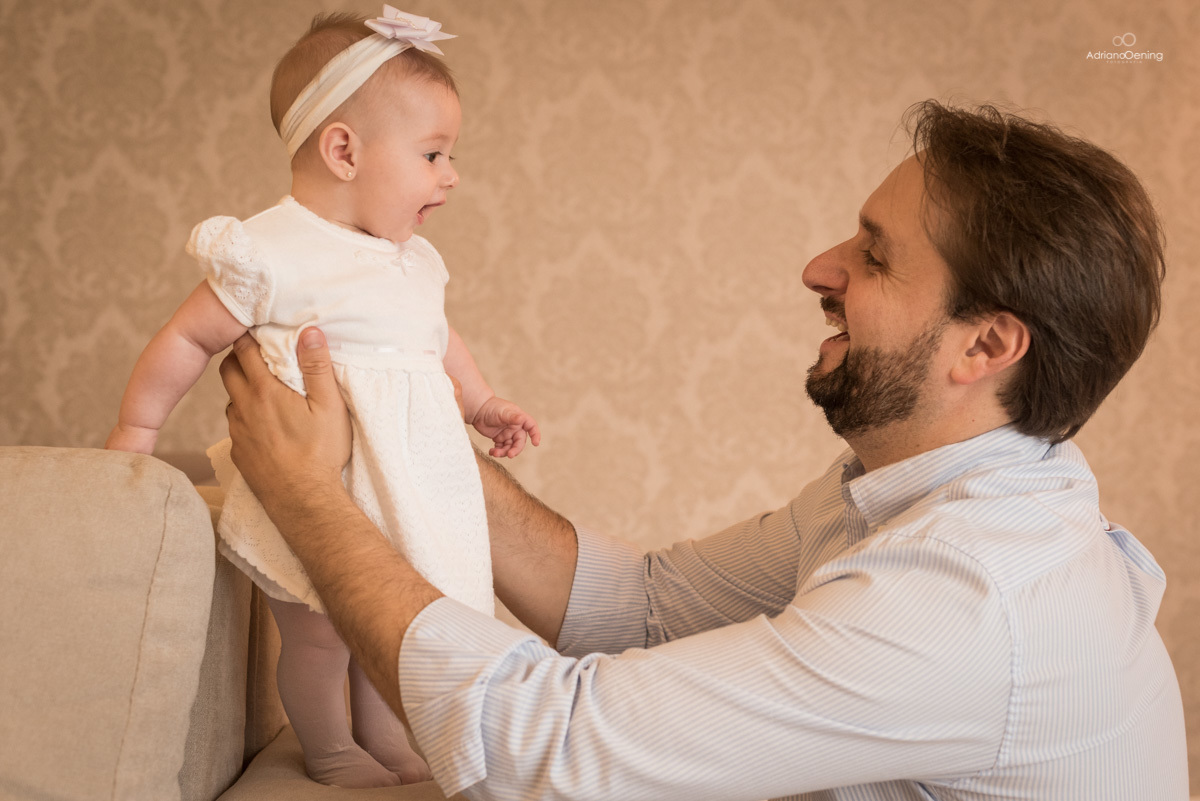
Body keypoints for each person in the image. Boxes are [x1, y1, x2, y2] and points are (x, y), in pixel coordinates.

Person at [218, 101, 1189, 799]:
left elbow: (537, 750)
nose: (819, 268)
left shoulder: (969, 593)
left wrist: (311, 495)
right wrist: (397, 427)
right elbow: (643, 607)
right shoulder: (905, 494)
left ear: (985, 346)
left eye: (875, 255)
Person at [106, 8, 540, 788]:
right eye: (433, 153)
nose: (451, 175)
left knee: (387, 626)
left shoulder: (413, 260)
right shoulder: (273, 250)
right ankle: (329, 744)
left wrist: (480, 402)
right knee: (318, 635)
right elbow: (188, 339)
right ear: (344, 151)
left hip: (399, 486)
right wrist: (137, 428)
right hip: (313, 485)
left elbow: (438, 338)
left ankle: (387, 739)